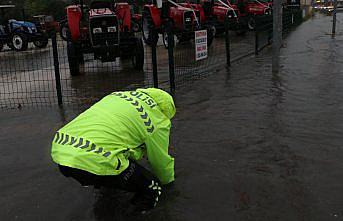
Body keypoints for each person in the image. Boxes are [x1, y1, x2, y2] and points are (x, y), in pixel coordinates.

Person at [51, 88, 176, 211]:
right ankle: (135, 214)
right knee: (153, 187)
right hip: (92, 160)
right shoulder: (158, 120)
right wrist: (169, 184)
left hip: (61, 150)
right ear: (166, 112)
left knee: (117, 166)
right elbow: (161, 162)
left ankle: (104, 188)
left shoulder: (117, 95)